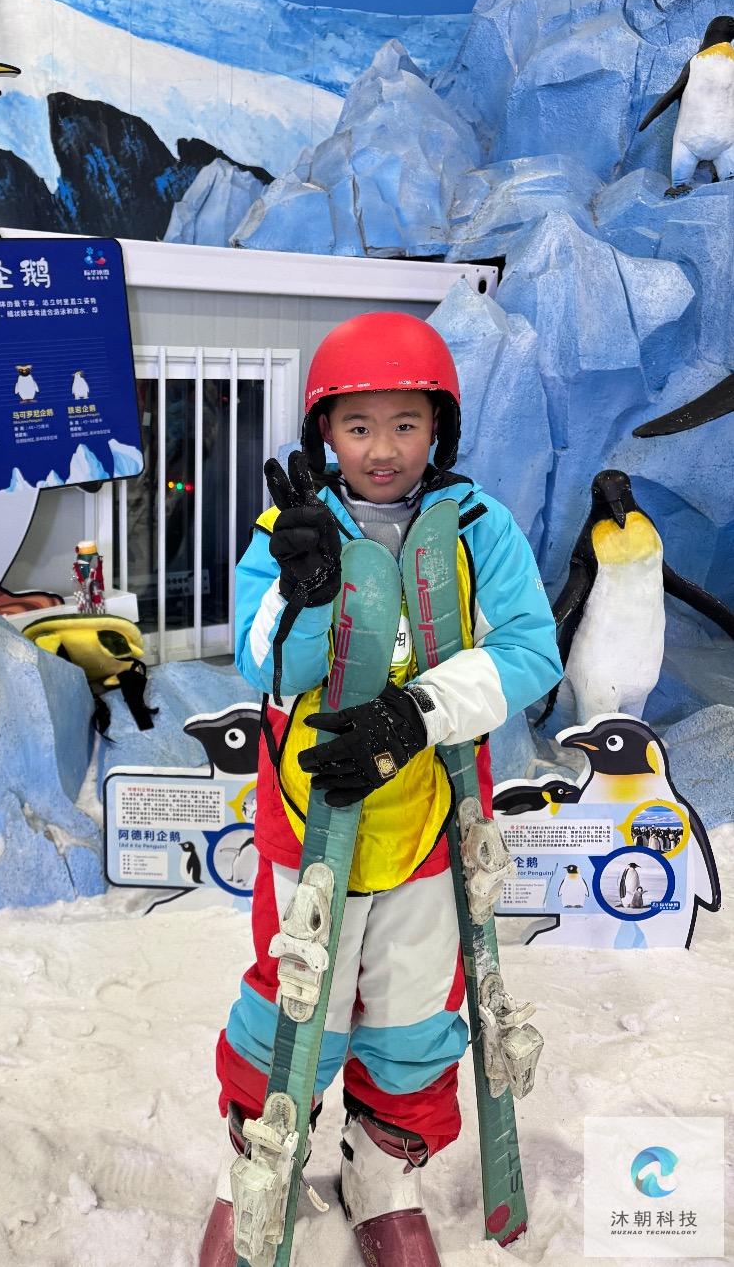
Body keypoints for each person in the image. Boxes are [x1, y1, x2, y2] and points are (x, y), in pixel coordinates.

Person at [199, 312, 562, 1267]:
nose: (383, 449)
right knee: (296, 1000)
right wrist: (306, 589)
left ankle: (381, 1173)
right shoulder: (288, 529)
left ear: (438, 426)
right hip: (311, 818)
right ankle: (260, 1165)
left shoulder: (477, 527)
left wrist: (414, 714)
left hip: (429, 815)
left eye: (406, 423)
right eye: (358, 426)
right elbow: (263, 667)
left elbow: (530, 649)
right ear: (325, 430)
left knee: (411, 1007)